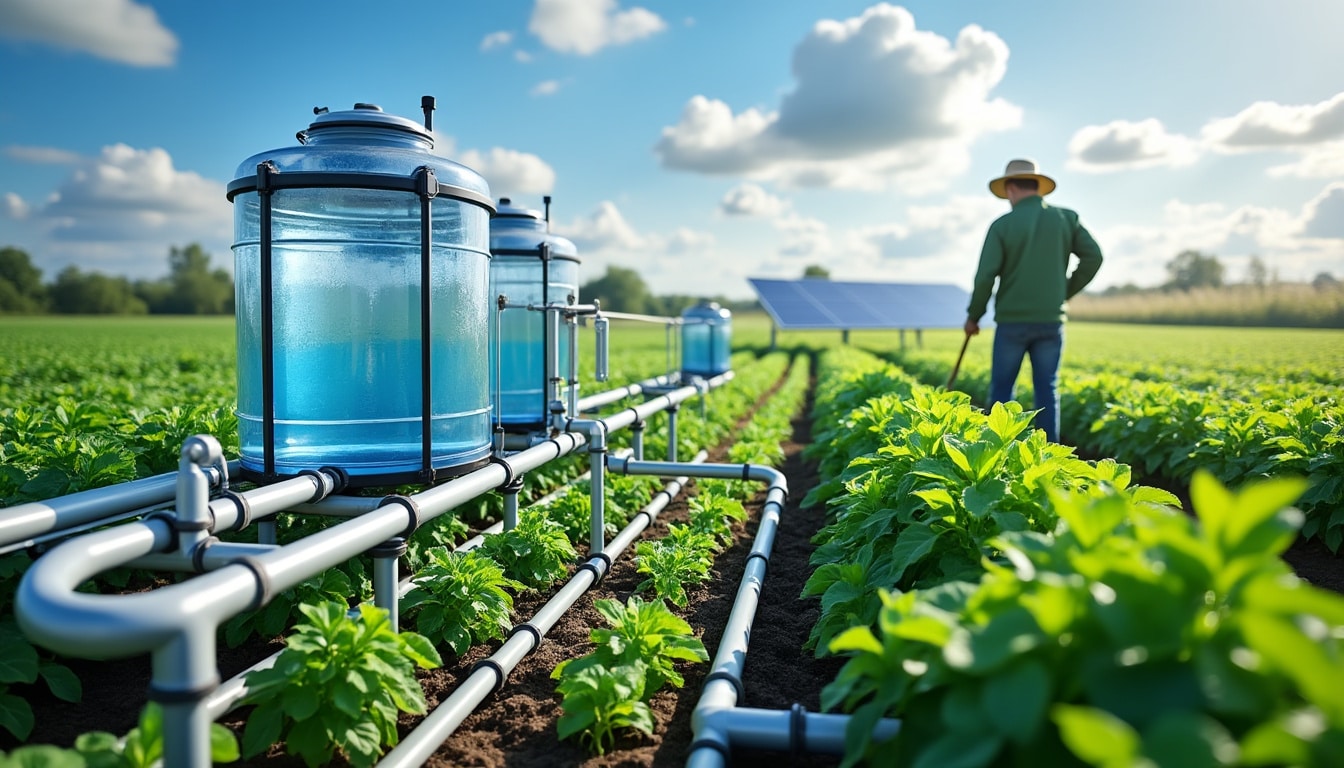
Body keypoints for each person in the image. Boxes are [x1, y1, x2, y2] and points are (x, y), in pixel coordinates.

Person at [964, 158, 1103, 444]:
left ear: (1011, 189)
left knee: (1002, 392)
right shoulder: (1067, 218)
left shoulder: (1002, 226)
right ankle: (1048, 454)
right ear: (1037, 187)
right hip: (1050, 321)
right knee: (1047, 391)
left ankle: (996, 452)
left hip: (1012, 323)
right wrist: (1064, 292)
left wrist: (974, 316)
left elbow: (985, 277)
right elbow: (1094, 257)